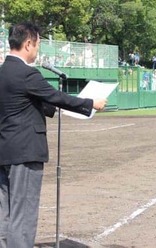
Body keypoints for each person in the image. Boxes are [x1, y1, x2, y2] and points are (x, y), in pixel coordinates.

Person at [0, 22, 107, 248]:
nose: (38, 51)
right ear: (28, 43)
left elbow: (25, 103)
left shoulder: (3, 72)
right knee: (23, 217)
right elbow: (56, 96)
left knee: (5, 215)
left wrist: (52, 108)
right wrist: (91, 103)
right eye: (37, 45)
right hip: (25, 153)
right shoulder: (27, 74)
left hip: (5, 152)